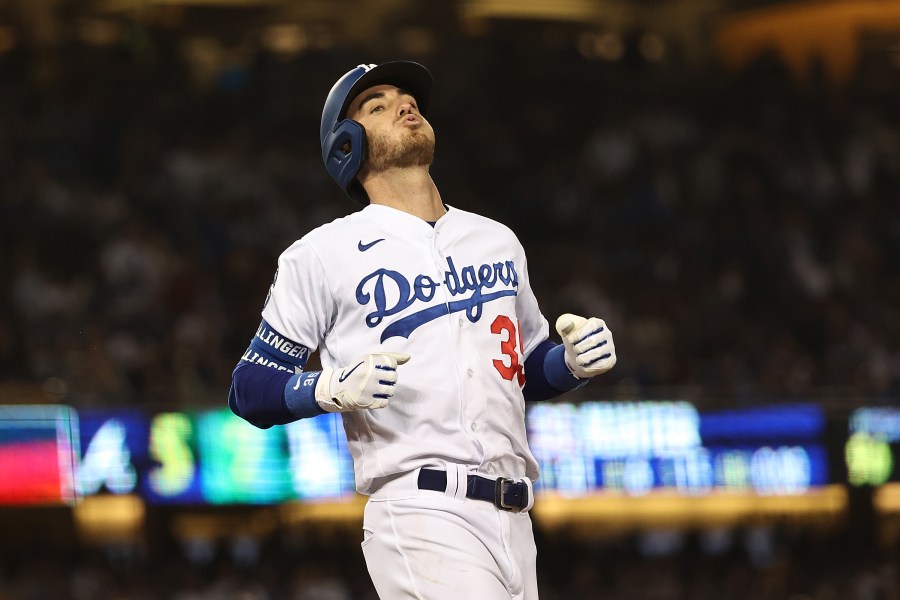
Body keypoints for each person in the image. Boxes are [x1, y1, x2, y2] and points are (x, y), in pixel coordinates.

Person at [228, 61, 617, 600]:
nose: (404, 103)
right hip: (419, 508)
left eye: (406, 96)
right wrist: (328, 387)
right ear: (347, 145)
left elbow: (521, 375)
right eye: (378, 104)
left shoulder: (495, 240)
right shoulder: (320, 254)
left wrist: (568, 364)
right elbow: (249, 388)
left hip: (517, 517)